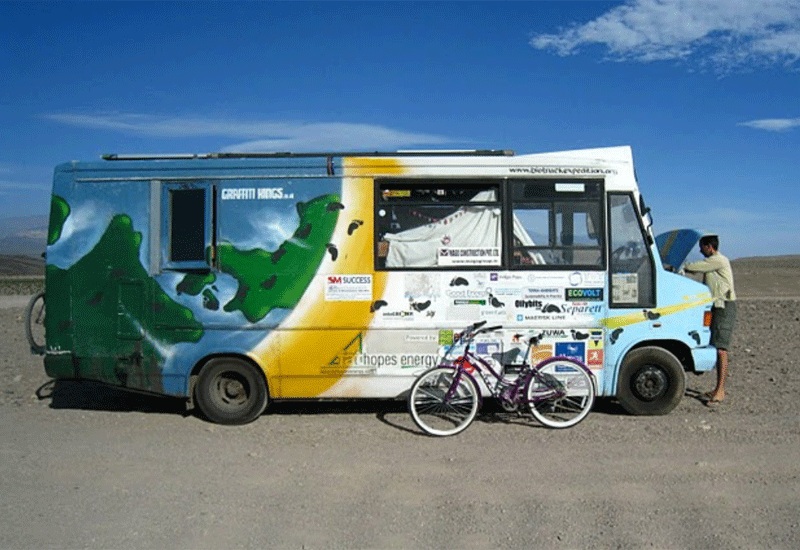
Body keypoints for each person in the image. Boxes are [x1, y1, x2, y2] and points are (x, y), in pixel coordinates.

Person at [683, 235, 736, 405]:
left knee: (721, 349)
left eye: (702, 247)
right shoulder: (714, 262)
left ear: (709, 247)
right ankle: (717, 389)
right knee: (716, 347)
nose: (700, 251)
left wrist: (682, 265)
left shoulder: (718, 260)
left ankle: (720, 391)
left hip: (723, 306)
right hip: (716, 307)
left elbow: (694, 267)